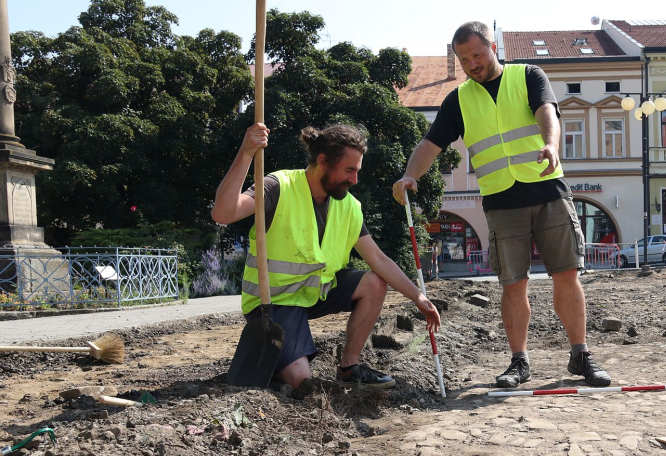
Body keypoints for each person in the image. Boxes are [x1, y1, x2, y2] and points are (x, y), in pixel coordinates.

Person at [392, 20, 610, 389]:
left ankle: (581, 355)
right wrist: (410, 174)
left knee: (566, 276)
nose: (471, 64)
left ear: (494, 48)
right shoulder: (458, 99)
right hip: (501, 200)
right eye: (463, 59)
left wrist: (551, 146)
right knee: (513, 284)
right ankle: (519, 362)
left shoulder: (527, 75)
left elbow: (547, 111)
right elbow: (430, 144)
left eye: (477, 54)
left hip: (547, 190)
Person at [213, 123, 441, 390]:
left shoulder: (349, 206)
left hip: (314, 294)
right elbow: (223, 213)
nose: (355, 180)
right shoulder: (279, 186)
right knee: (302, 383)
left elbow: (378, 260)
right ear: (323, 161)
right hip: (273, 301)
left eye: (357, 171)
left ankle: (349, 368)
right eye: (349, 170)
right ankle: (278, 363)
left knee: (374, 282)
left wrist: (418, 297)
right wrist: (247, 153)